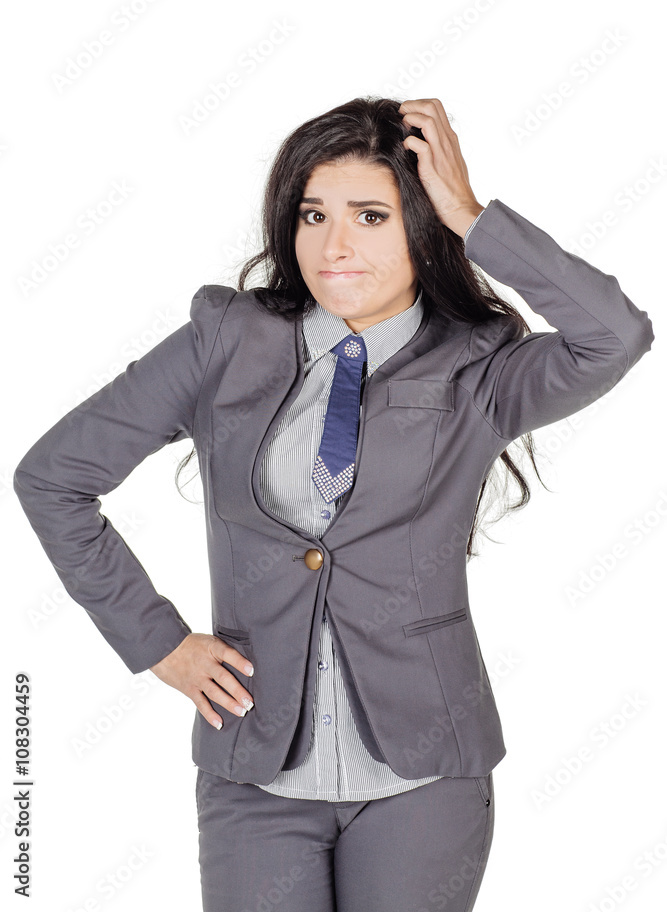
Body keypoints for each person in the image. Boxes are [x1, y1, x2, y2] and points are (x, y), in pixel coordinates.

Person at [13, 96, 654, 911]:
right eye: (312, 214)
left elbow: (616, 336)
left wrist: (471, 212)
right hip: (254, 769)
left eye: (371, 215)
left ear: (423, 227)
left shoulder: (479, 367)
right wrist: (160, 642)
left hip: (427, 772)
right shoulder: (226, 339)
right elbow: (54, 476)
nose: (332, 244)